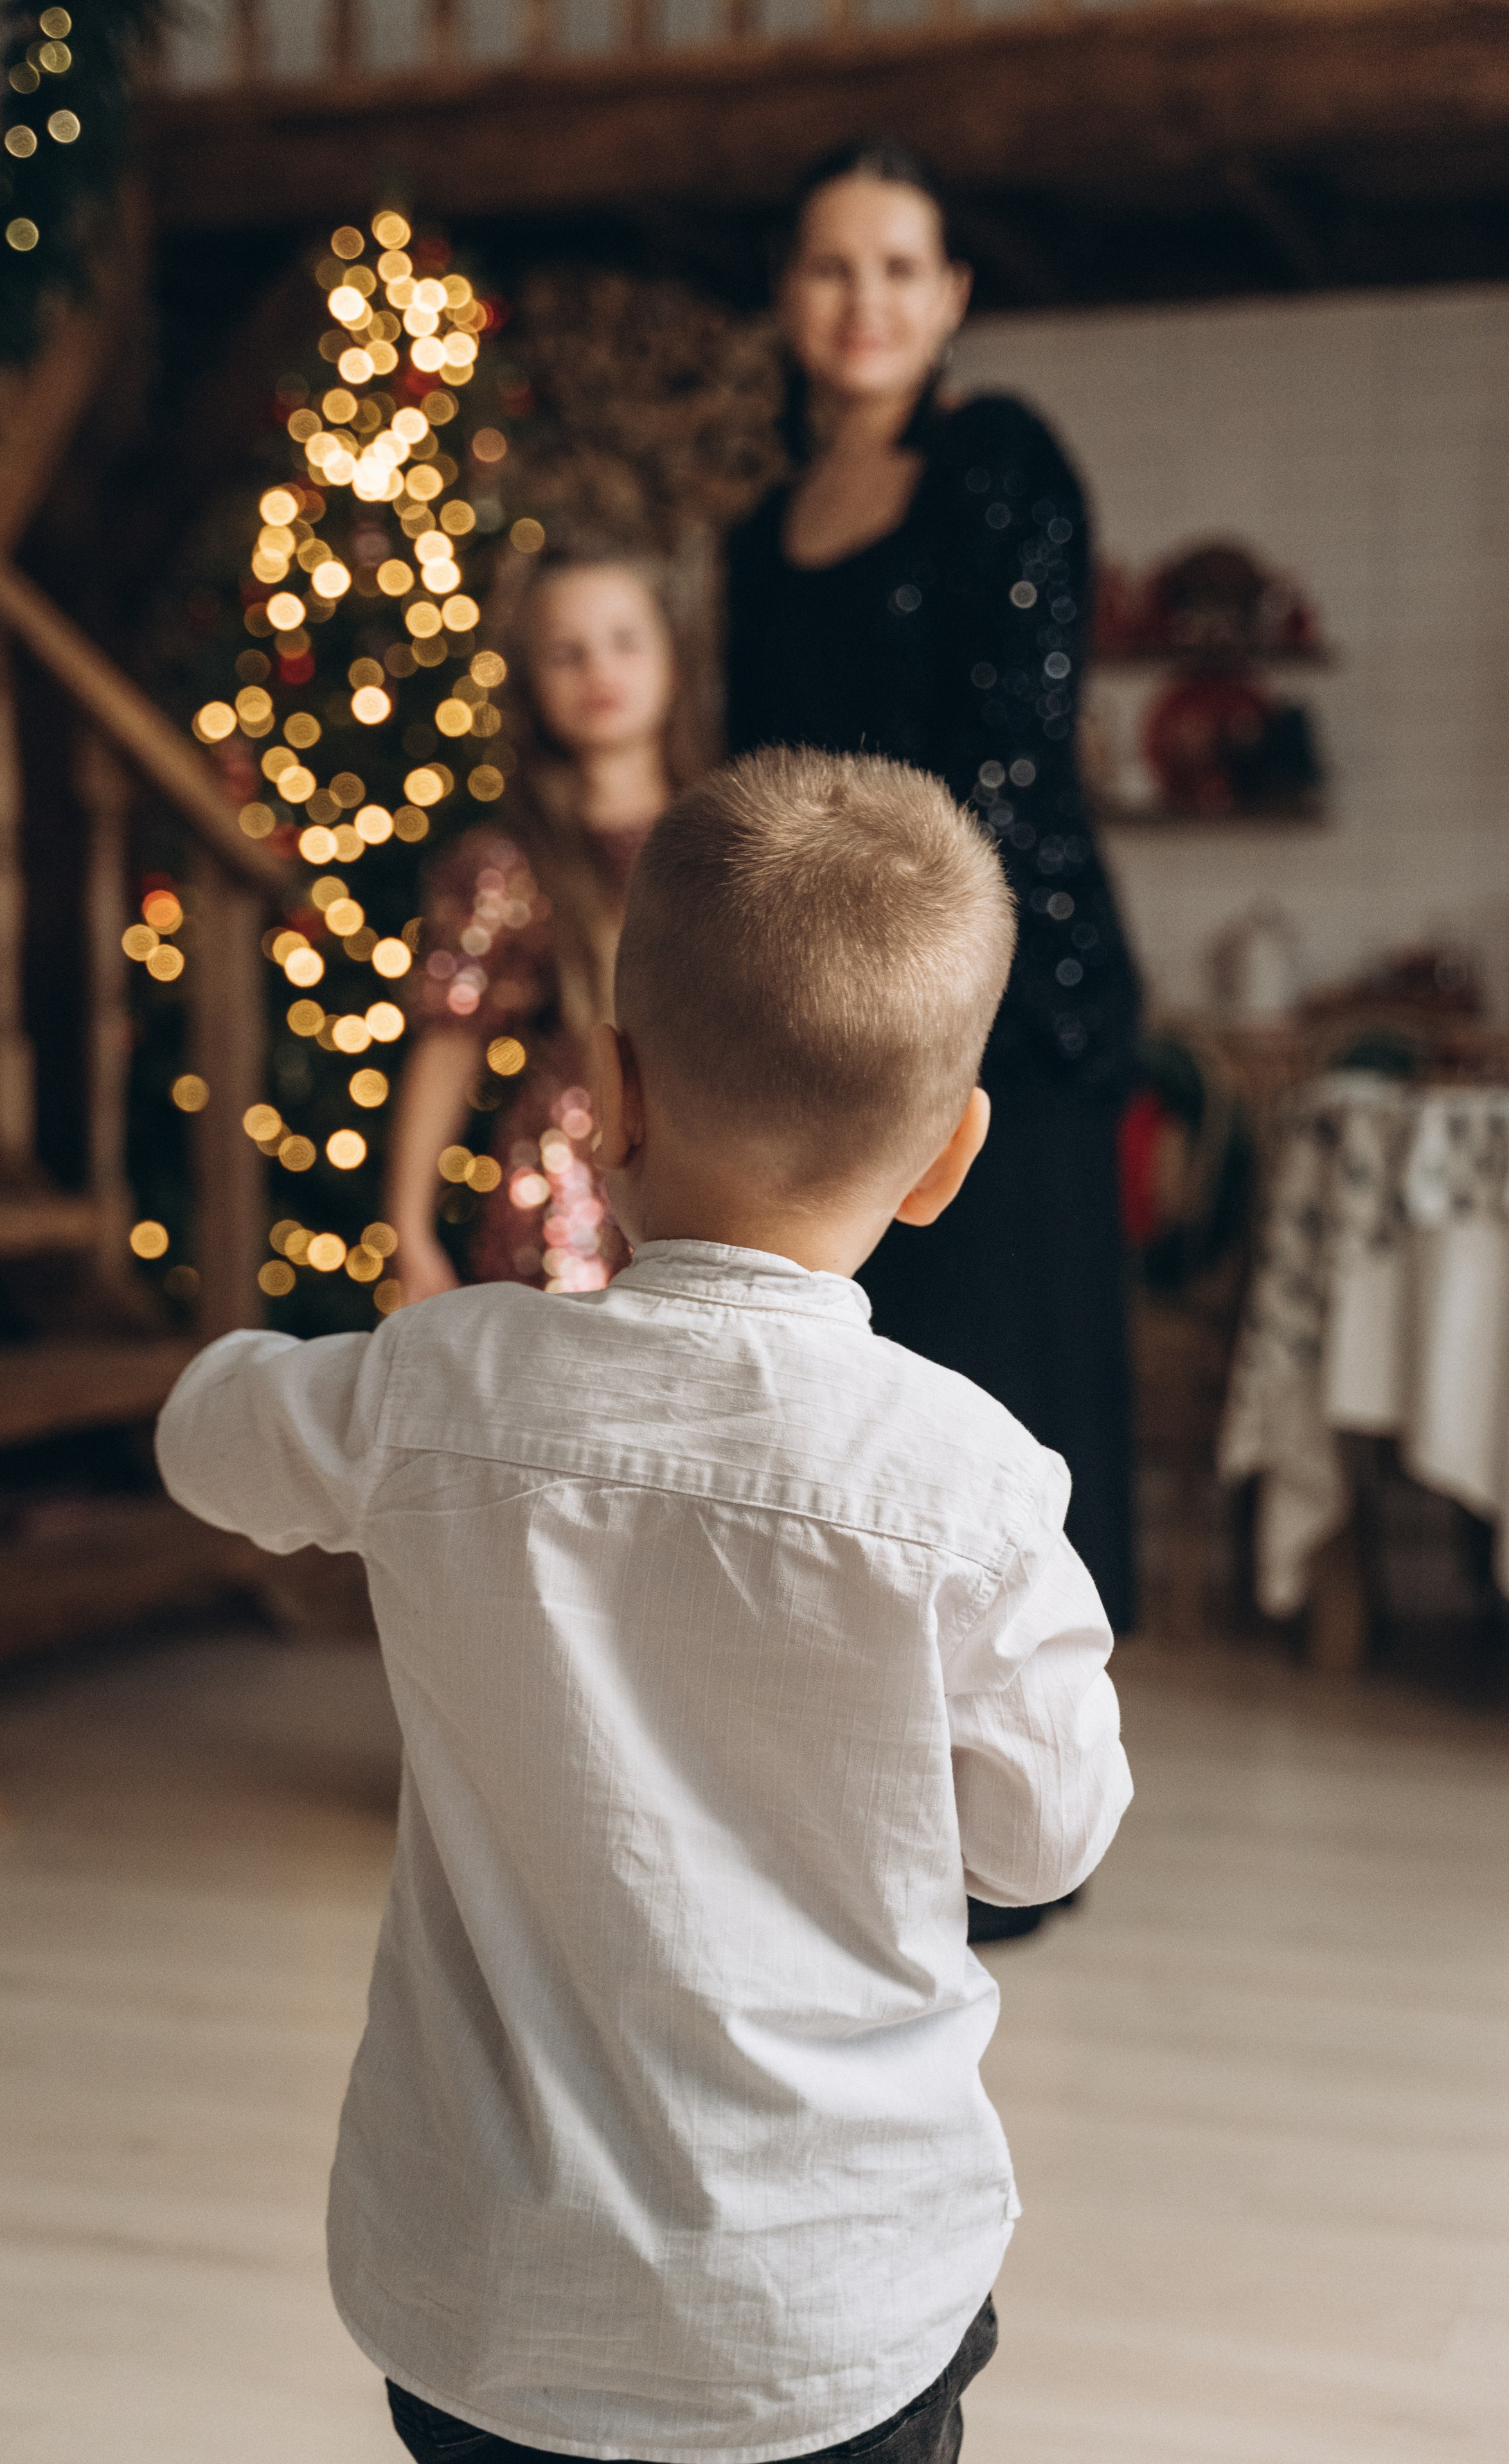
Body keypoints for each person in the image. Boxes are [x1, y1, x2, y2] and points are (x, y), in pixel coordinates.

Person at [157, 745, 1132, 2464]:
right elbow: (1045, 1841)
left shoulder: (442, 1387)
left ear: (608, 1087)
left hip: (482, 2303)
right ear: (946, 1157)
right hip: (830, 2311)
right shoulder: (968, 1484)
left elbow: (204, 1435)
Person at [725, 142, 1141, 1671]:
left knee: (1000, 1412)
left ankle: (1012, 1831)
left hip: (1000, 1014)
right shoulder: (754, 536)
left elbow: (1007, 767)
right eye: (831, 265)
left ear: (951, 294)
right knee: (858, 1412)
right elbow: (758, 784)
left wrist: (921, 990)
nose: (864, 300)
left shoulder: (998, 463)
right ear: (786, 295)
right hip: (817, 1020)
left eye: (899, 267)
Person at [384, 541, 706, 1301]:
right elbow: (448, 1051)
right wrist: (408, 1230)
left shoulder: (733, 839)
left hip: (709, 1188)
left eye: (624, 641)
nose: (600, 671)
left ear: (674, 656)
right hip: (563, 1194)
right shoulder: (505, 863)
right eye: (567, 652)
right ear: (530, 680)